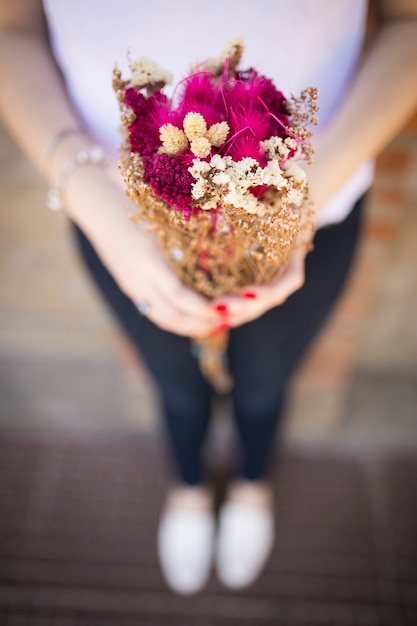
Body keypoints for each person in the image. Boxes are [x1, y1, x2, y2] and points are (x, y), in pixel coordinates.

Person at [1, 0, 416, 595]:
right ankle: (190, 489)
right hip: (123, 222)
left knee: (266, 382)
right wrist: (89, 195)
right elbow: (12, 30)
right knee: (174, 382)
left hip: (312, 211)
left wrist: (298, 207)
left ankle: (253, 484)